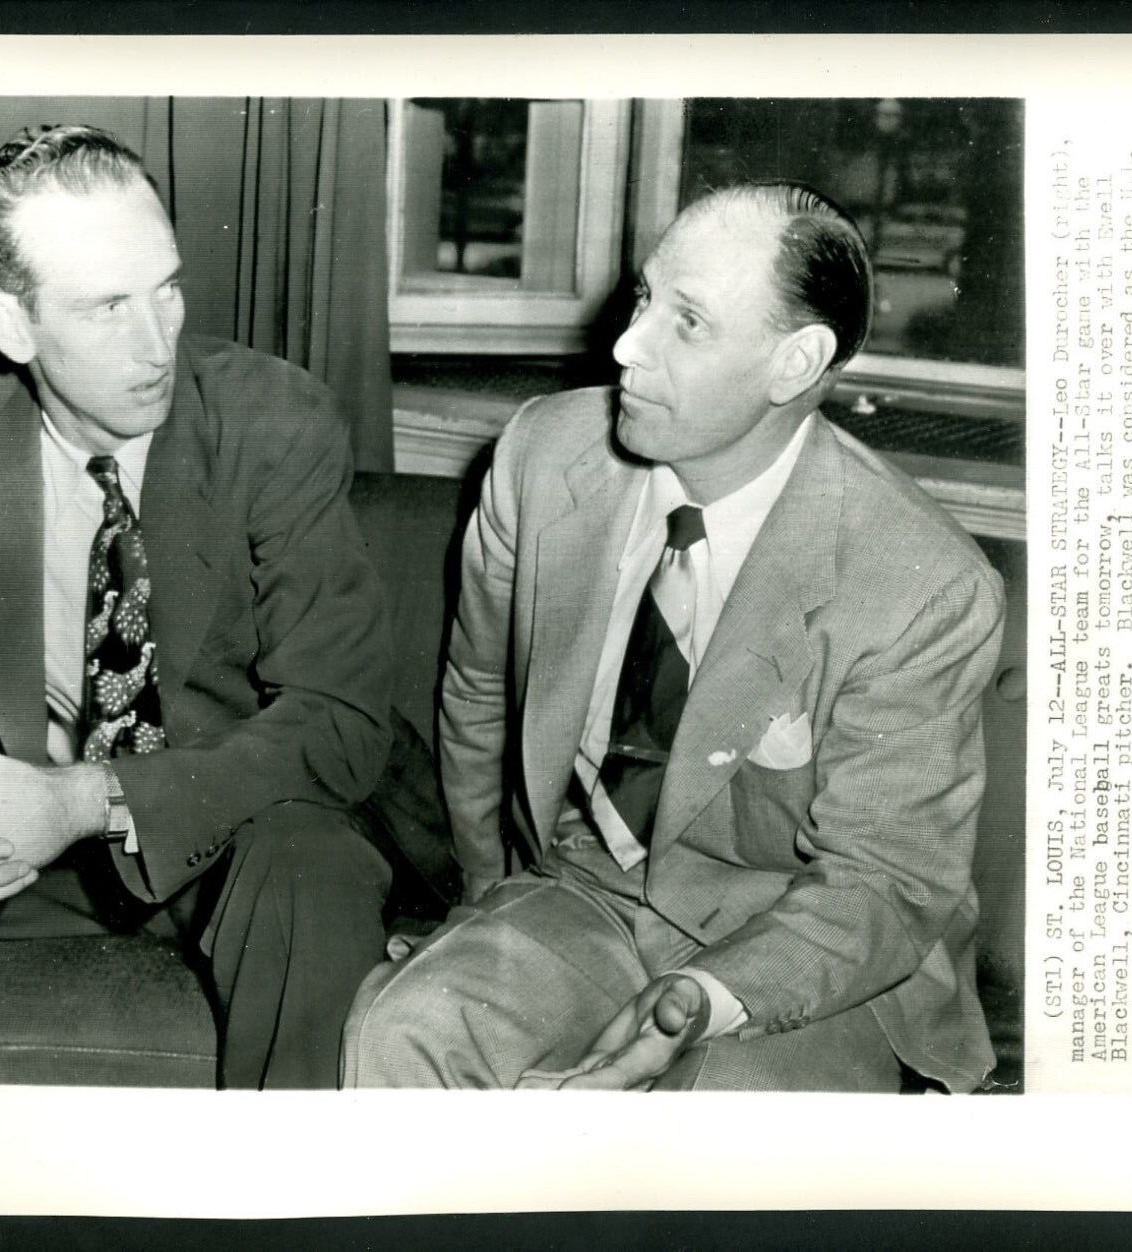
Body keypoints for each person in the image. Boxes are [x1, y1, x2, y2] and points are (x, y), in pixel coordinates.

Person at [343, 182, 1006, 1092]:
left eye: (686, 322)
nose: (625, 345)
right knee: (405, 1029)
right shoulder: (541, 456)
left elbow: (883, 883)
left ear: (792, 364)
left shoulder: (923, 584)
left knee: (714, 1132)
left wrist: (702, 994)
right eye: (646, 297)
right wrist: (483, 897)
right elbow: (481, 697)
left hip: (807, 946)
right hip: (583, 889)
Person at [0, 125, 392, 1088]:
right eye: (109, 307)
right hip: (31, 865)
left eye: (167, 287)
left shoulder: (276, 420)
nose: (159, 342)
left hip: (224, 843)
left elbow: (345, 723)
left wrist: (82, 802)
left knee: (312, 862)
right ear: (12, 329)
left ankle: (287, 1200)